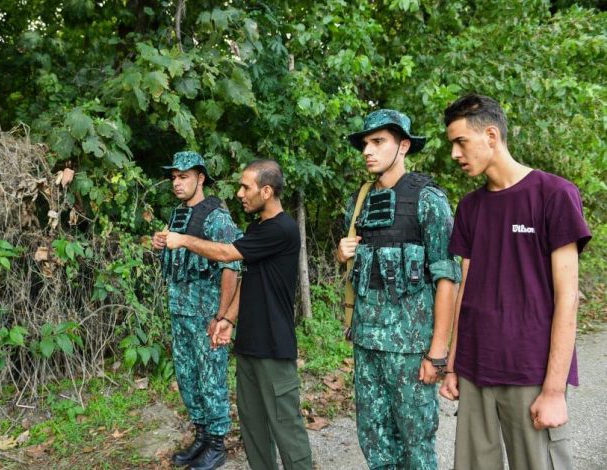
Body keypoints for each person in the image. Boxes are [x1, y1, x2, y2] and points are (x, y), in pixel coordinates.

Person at [439, 94, 592, 469]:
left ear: (491, 135)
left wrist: (554, 390)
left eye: (461, 142)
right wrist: (454, 365)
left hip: (529, 372)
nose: (456, 154)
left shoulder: (553, 195)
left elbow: (568, 297)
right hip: (475, 370)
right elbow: (466, 290)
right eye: (452, 145)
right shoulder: (470, 207)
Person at [164, 159, 313, 470]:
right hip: (249, 344)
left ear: (267, 191)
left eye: (246, 187)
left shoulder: (281, 229)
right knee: (254, 428)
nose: (239, 193)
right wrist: (227, 320)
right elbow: (248, 277)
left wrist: (182, 240)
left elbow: (225, 253)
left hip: (274, 347)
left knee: (286, 428)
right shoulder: (257, 227)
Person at [336, 109, 460, 469]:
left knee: (416, 442)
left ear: (403, 146)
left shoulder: (428, 199)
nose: (367, 151)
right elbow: (356, 267)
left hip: (410, 348)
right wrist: (341, 252)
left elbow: (447, 276)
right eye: (365, 144)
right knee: (373, 437)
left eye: (378, 142)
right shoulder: (358, 200)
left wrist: (437, 352)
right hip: (367, 342)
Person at [151, 151, 241, 470]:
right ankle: (202, 435)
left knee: (211, 379)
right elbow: (176, 254)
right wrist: (159, 244)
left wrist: (222, 317)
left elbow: (233, 264)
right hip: (180, 313)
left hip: (206, 315)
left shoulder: (216, 216)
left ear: (200, 178)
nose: (177, 183)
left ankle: (217, 443)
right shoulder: (177, 214)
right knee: (188, 377)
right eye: (174, 177)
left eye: (184, 176)